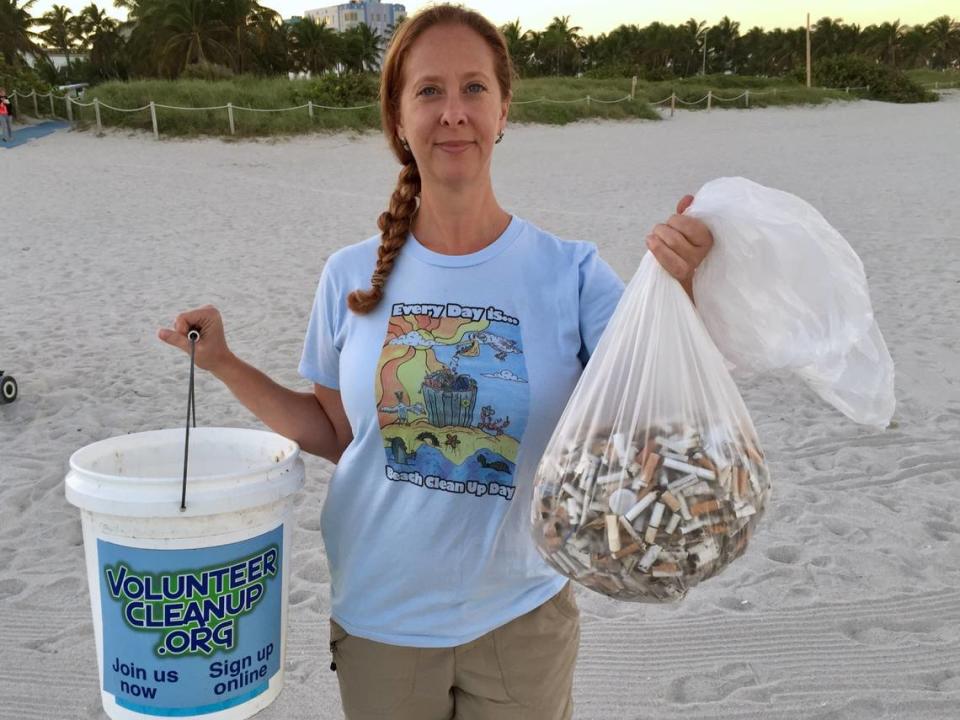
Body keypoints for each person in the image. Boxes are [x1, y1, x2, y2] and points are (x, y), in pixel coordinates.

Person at [158, 5, 714, 718]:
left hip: (523, 615)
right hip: (382, 619)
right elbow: (336, 434)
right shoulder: (349, 276)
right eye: (429, 91)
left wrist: (684, 287)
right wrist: (227, 364)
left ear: (504, 108)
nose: (454, 112)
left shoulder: (569, 272)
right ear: (397, 118)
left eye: (474, 88)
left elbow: (660, 395)